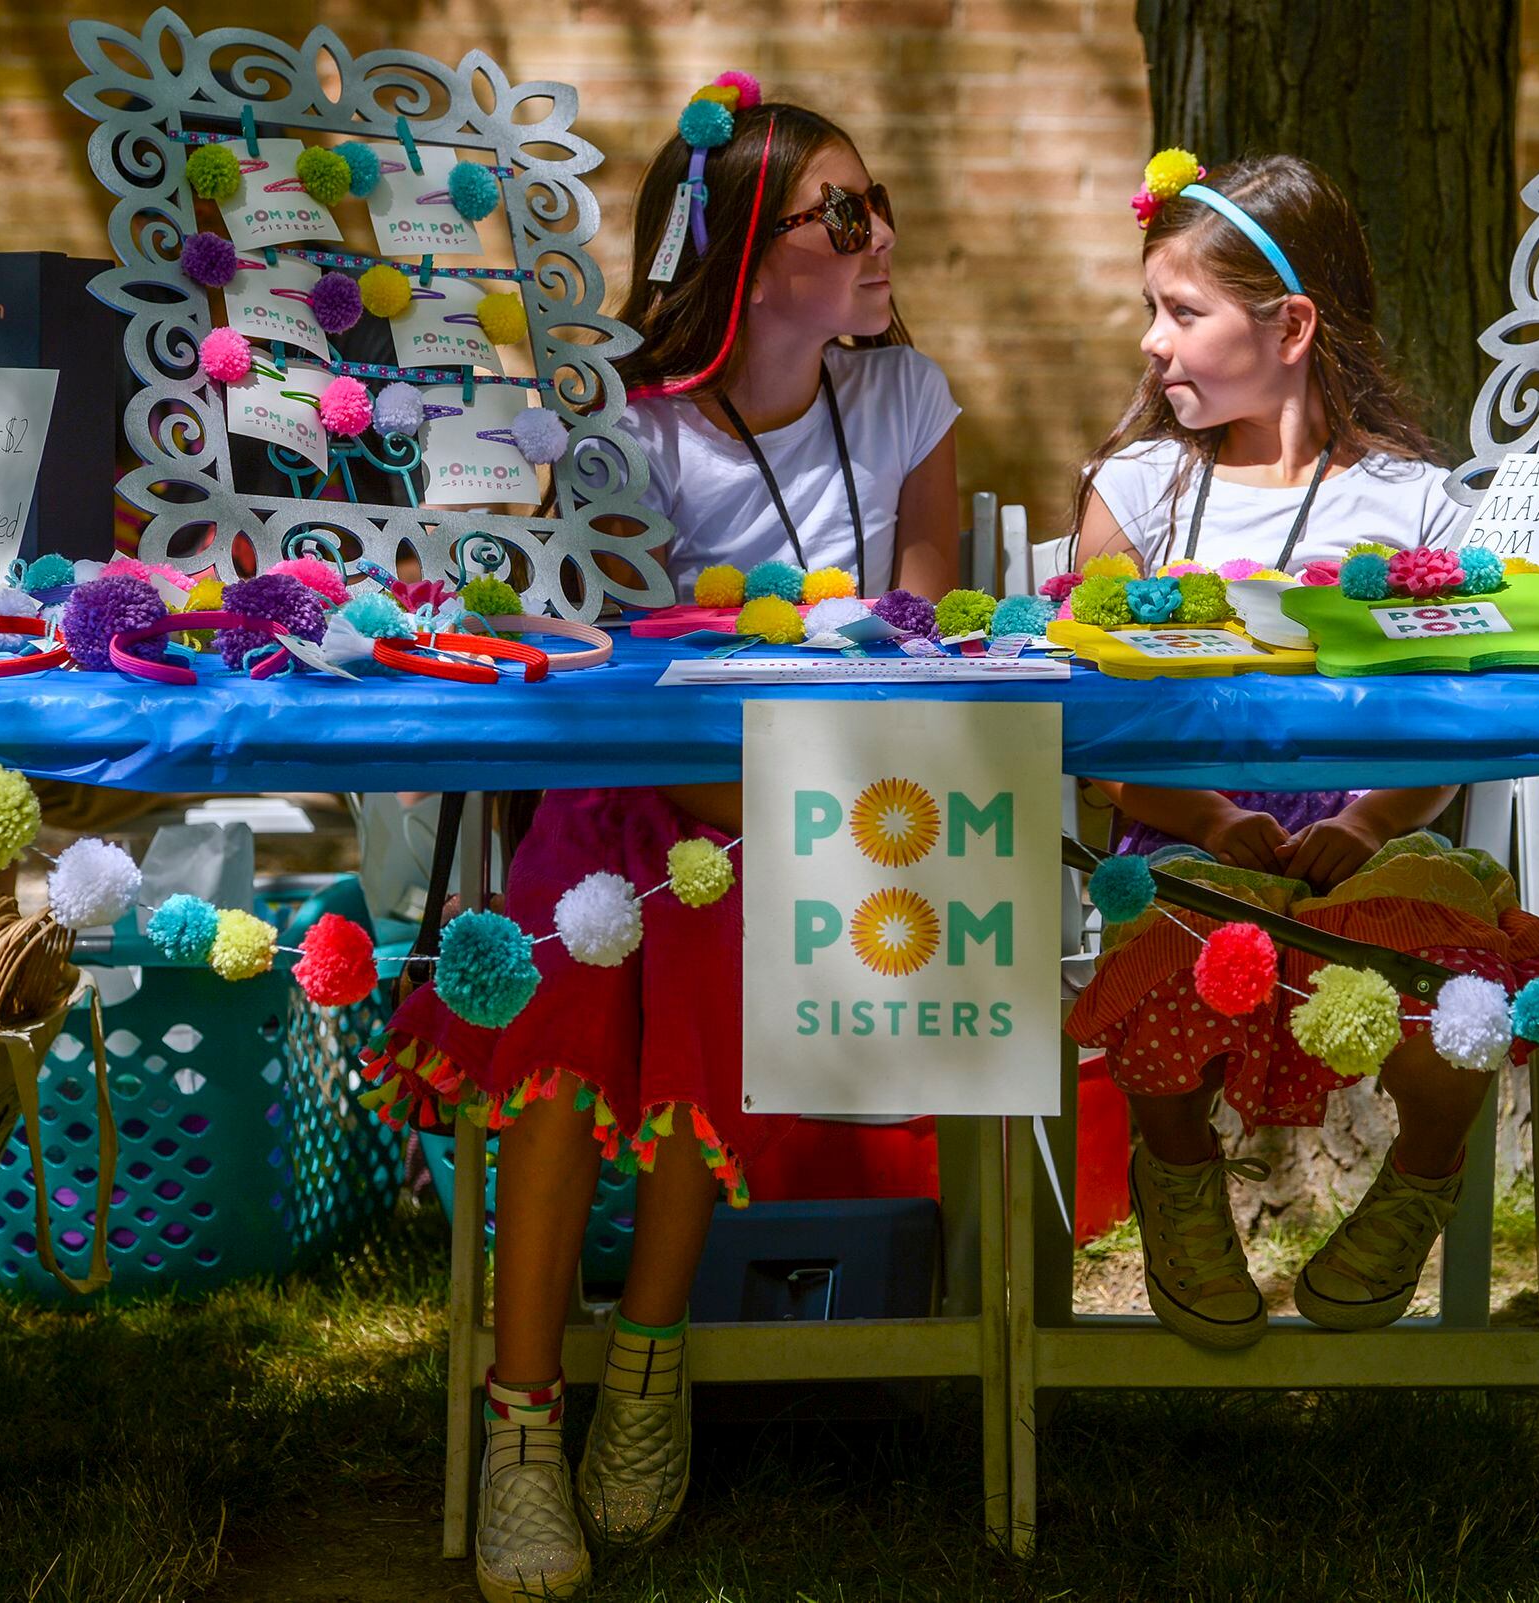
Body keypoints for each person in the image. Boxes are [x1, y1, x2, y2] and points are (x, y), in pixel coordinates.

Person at [367, 74, 960, 1603]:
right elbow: (581, 669)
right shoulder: (621, 432)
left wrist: (772, 781)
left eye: (875, 199)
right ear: (756, 258)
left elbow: (929, 650)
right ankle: (522, 1414)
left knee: (699, 922)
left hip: (831, 807)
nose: (882, 231)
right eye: (847, 210)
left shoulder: (908, 401)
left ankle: (644, 1354)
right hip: (632, 793)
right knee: (584, 950)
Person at [1066, 151, 1539, 1350]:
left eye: (1182, 313)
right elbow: (1086, 712)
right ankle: (1178, 1177)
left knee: (1453, 976)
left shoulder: (1413, 505)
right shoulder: (1140, 491)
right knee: (1162, 947)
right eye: (1154, 308)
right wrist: (1203, 816)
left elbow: (1462, 711)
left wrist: (1365, 821)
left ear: (1290, 324)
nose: (1152, 341)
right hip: (1189, 834)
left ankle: (1426, 1173)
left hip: (1375, 835)